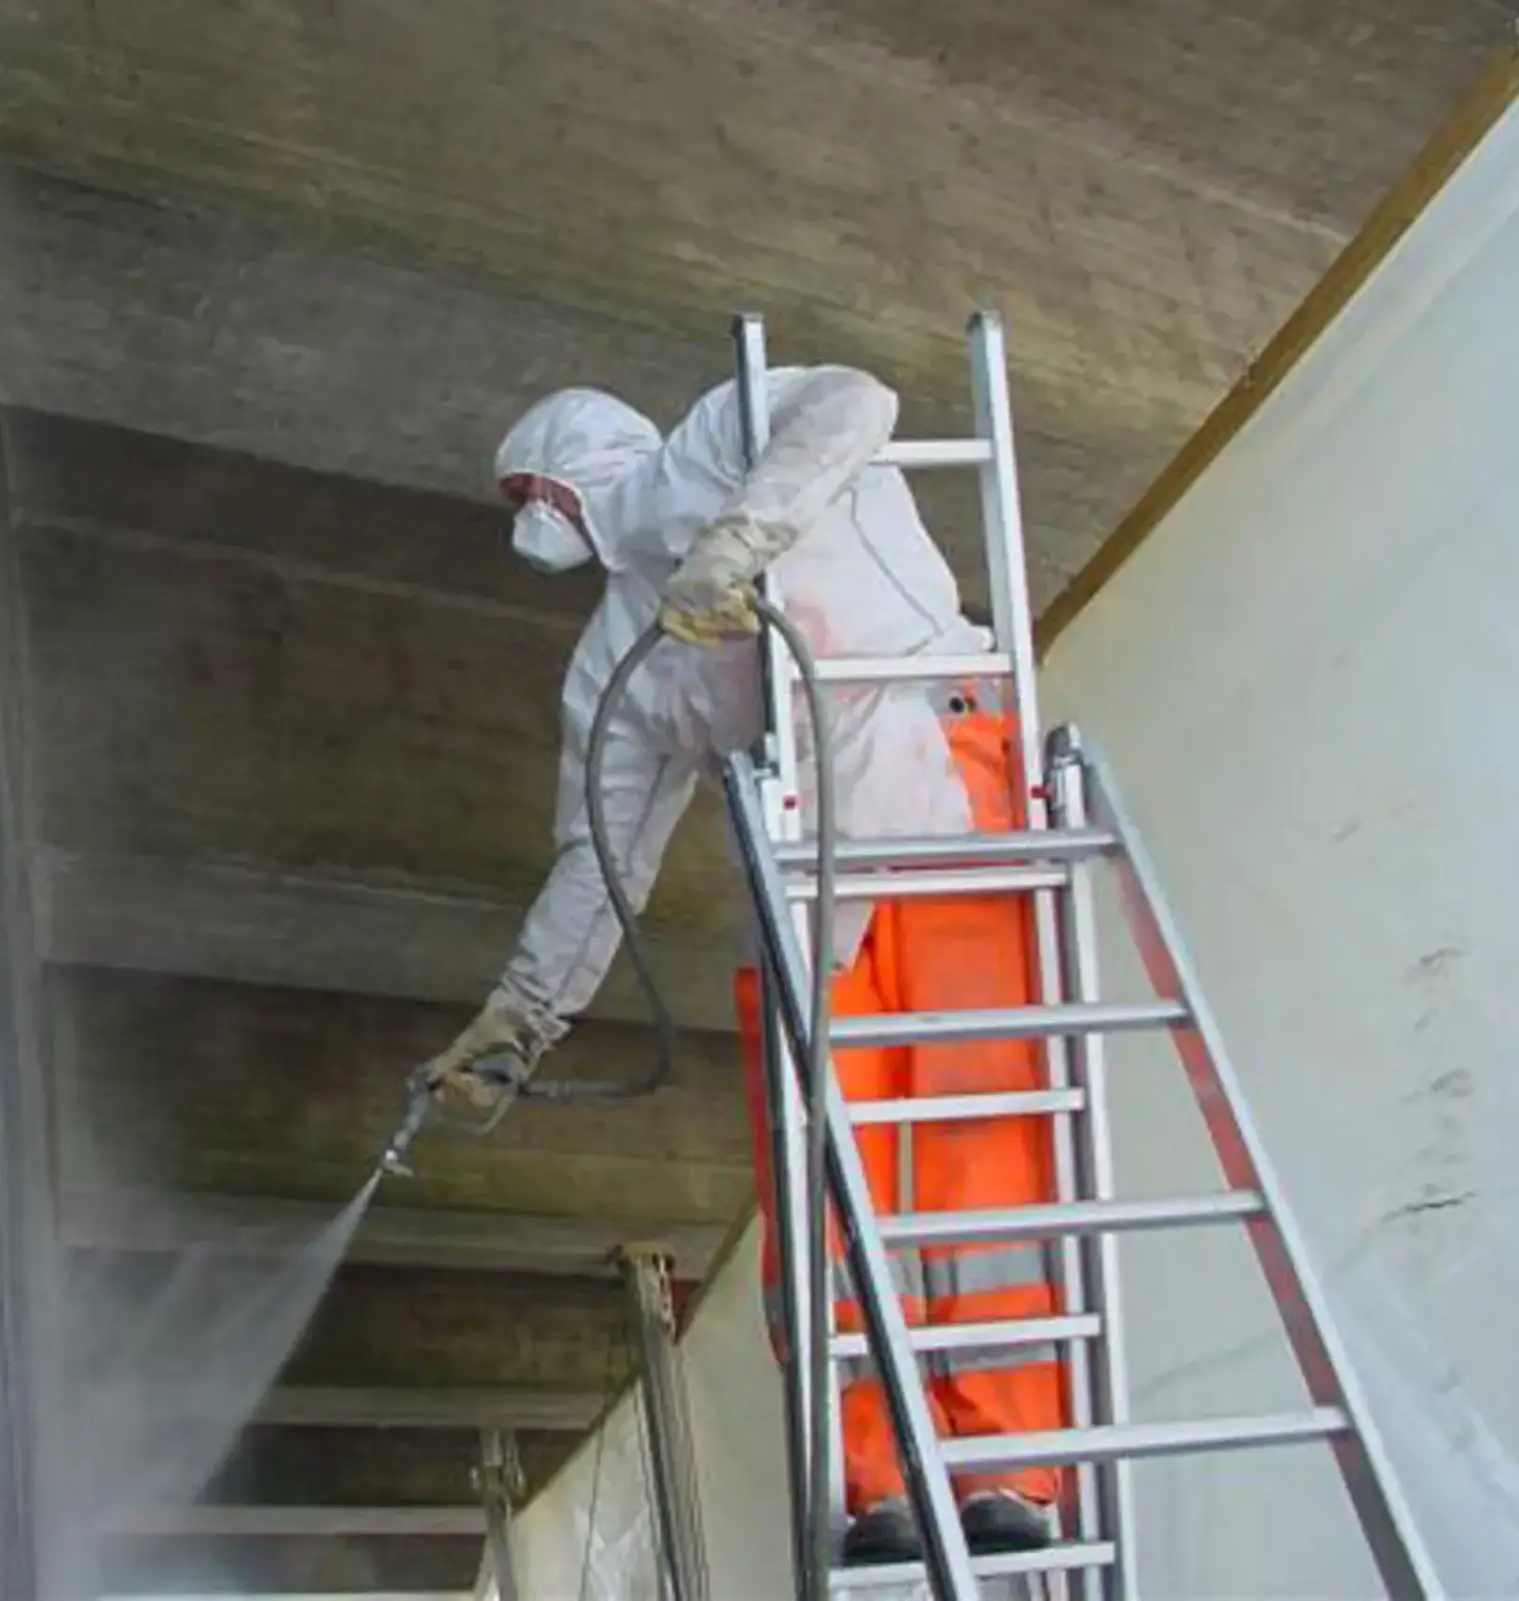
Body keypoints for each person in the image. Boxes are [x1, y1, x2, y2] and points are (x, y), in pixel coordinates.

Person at [414, 366, 1064, 1563]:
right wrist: (517, 1023)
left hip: (943, 762)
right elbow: (599, 858)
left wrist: (739, 540)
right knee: (825, 1168)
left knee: (977, 1143)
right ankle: (882, 1482)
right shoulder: (623, 656)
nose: (532, 516)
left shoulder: (726, 427)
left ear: (568, 463)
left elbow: (859, 401)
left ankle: (1007, 1470)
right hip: (807, 849)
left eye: (529, 488)